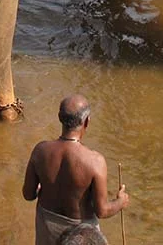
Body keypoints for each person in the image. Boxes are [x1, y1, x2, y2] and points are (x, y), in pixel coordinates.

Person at [23, 94, 129, 245]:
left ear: (59, 117)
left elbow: (28, 194)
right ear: (86, 121)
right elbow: (102, 210)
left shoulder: (40, 150)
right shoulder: (95, 161)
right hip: (80, 235)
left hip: (47, 225)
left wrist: (43, 187)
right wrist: (120, 201)